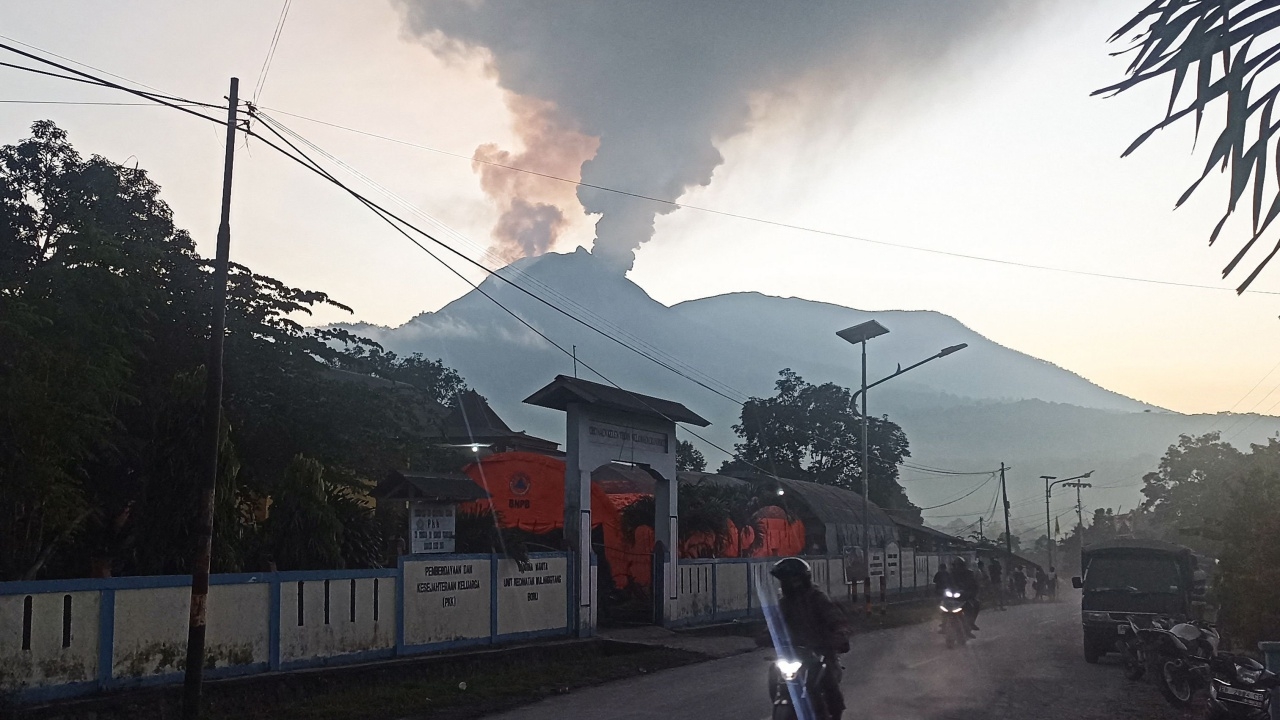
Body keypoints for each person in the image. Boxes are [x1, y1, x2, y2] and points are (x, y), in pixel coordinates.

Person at [771, 557, 850, 720]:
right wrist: (765, 635)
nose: (788, 584)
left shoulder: (818, 598)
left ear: (802, 579)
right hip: (794, 654)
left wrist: (840, 635)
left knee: (827, 683)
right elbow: (774, 624)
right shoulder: (784, 603)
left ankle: (833, 715)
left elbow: (835, 618)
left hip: (821, 653)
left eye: (792, 579)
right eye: (784, 581)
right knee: (773, 673)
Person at [951, 557, 981, 636]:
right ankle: (943, 623)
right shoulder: (951, 574)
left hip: (965, 596)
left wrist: (971, 592)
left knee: (975, 605)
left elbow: (974, 585)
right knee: (942, 606)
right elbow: (945, 583)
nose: (957, 567)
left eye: (959, 565)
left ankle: (970, 623)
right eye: (956, 565)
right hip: (953, 597)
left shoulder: (969, 573)